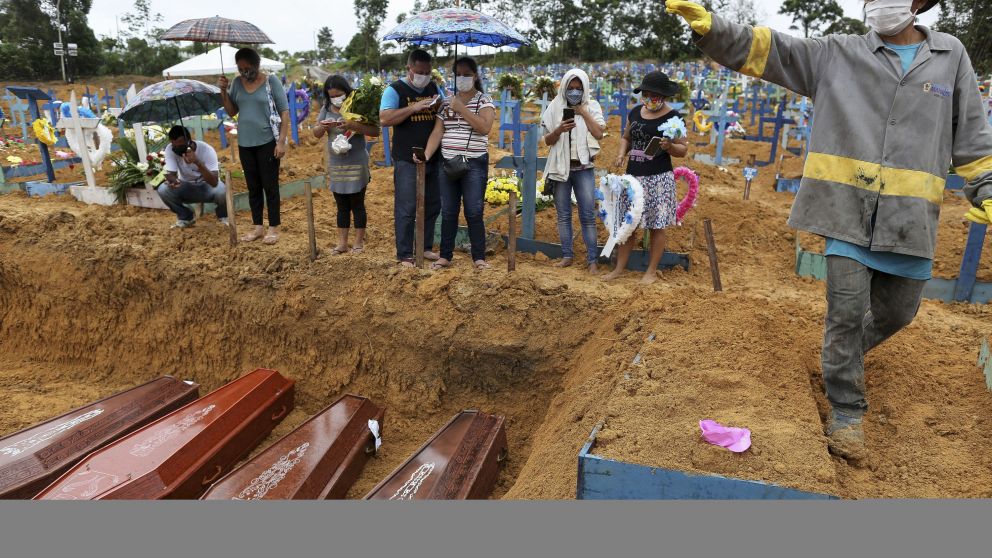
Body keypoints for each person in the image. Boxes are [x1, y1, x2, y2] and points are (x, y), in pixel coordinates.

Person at [666, 0, 992, 462]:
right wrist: (713, 29)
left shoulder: (950, 54)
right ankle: (846, 412)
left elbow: (973, 136)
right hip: (845, 211)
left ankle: (839, 357)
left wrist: (987, 189)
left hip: (910, 218)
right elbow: (772, 51)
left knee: (897, 313)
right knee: (845, 313)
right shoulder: (838, 52)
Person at [604, 71, 688, 284]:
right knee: (629, 224)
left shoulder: (674, 118)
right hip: (633, 178)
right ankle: (619, 269)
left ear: (664, 96)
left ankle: (650, 271)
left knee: (656, 226)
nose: (649, 98)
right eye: (646, 94)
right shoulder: (635, 112)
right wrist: (621, 154)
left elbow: (683, 149)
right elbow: (626, 137)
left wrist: (670, 147)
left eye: (654, 95)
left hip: (658, 178)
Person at [419, 57, 496, 270]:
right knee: (449, 211)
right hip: (448, 162)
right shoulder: (447, 103)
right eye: (458, 74)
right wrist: (426, 154)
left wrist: (461, 108)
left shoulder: (484, 100)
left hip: (474, 163)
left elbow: (484, 128)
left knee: (474, 211)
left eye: (467, 74)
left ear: (475, 76)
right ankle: (445, 256)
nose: (462, 78)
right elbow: (438, 132)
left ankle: (479, 257)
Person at [379, 49, 445, 267]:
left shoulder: (433, 87)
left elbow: (443, 109)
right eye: (419, 72)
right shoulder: (395, 90)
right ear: (409, 68)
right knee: (406, 207)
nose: (423, 76)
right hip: (406, 158)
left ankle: (424, 246)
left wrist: (440, 103)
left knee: (433, 204)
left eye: (427, 72)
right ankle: (405, 252)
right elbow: (385, 118)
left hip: (433, 156)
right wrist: (413, 108)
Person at [218, 47, 290, 245]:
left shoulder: (271, 82)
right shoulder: (236, 84)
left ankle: (273, 227)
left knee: (270, 186)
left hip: (267, 142)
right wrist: (223, 91)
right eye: (240, 69)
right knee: (253, 187)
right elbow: (232, 111)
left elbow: (284, 112)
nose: (244, 73)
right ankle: (258, 227)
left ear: (256, 65)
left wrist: (281, 142)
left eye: (247, 68)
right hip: (245, 143)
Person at [541, 68, 607, 274]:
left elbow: (599, 133)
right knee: (563, 215)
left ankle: (592, 260)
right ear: (564, 87)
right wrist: (559, 129)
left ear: (584, 88)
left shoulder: (592, 106)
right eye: (571, 88)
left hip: (583, 168)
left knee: (587, 215)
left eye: (579, 88)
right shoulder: (555, 106)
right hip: (562, 169)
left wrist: (583, 112)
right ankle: (567, 255)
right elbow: (547, 140)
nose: (575, 92)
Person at [313, 75, 380, 255]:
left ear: (346, 91)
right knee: (341, 205)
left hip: (356, 162)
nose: (336, 98)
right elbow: (316, 133)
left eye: (339, 94)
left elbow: (375, 130)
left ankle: (358, 243)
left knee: (357, 203)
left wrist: (352, 125)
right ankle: (342, 243)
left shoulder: (358, 106)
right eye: (332, 96)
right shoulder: (326, 108)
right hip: (337, 164)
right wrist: (323, 127)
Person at [157, 125, 227, 229]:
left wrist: (197, 162)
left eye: (180, 146)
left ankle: (223, 216)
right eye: (174, 146)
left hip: (207, 186)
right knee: (163, 189)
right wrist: (173, 181)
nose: (177, 149)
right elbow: (171, 173)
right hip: (186, 186)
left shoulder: (206, 149)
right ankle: (186, 217)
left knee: (221, 190)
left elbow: (214, 182)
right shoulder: (170, 149)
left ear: (189, 142)